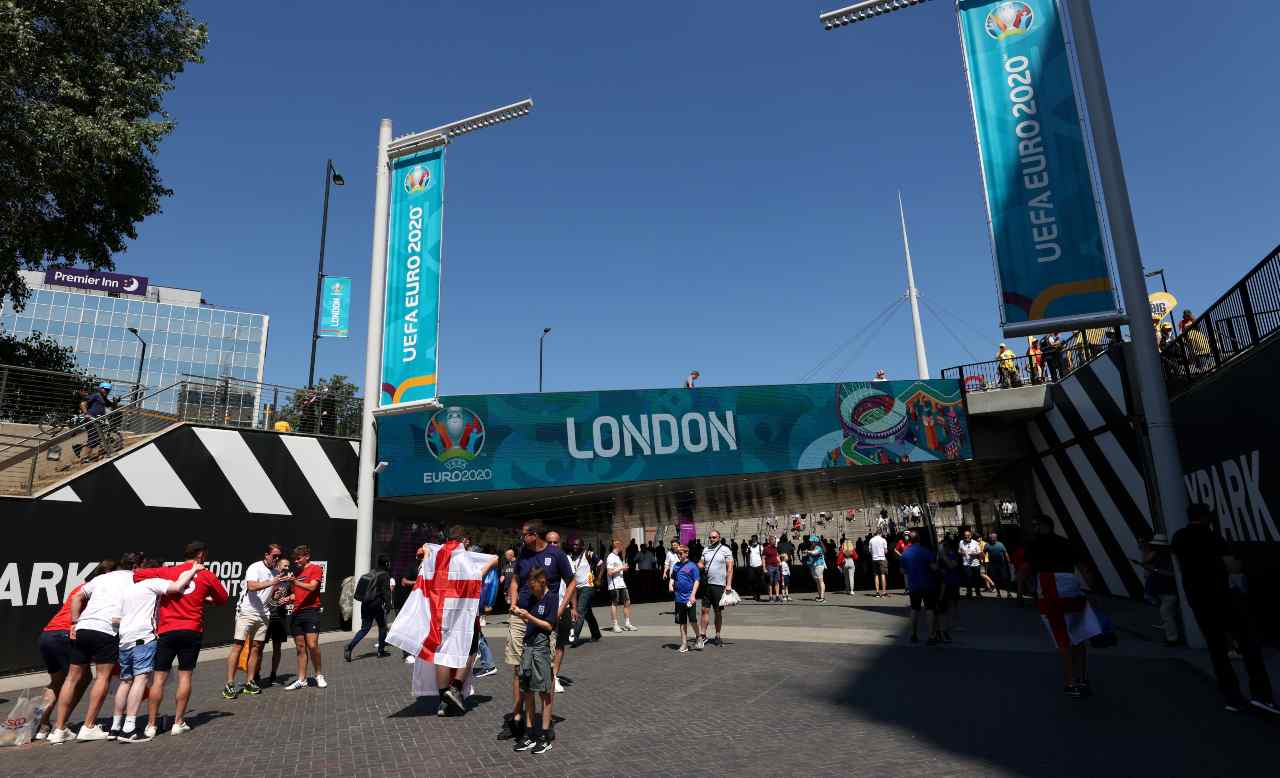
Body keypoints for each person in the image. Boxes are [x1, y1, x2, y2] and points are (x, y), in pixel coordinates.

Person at [1172, 504, 1278, 715]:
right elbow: (1232, 566)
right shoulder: (1213, 537)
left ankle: (1232, 698)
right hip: (1223, 598)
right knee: (1248, 645)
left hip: (1199, 600)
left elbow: (1181, 565)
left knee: (1217, 651)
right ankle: (1262, 695)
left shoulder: (1178, 538)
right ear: (1204, 517)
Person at [135, 541, 229, 736]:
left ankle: (151, 725)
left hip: (167, 631)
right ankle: (178, 722)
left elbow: (137, 575)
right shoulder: (206, 574)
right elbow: (223, 598)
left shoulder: (168, 572)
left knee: (158, 679)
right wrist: (205, 597)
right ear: (200, 555)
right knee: (185, 676)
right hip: (191, 630)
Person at [46, 554, 138, 744]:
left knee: (71, 678)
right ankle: (88, 726)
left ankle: (59, 729)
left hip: (83, 628)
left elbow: (78, 597)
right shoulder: (134, 579)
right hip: (106, 630)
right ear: (135, 566)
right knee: (102, 677)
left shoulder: (100, 578)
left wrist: (74, 622)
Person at [112, 558, 203, 743]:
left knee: (125, 681)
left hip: (124, 638)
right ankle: (129, 728)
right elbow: (178, 587)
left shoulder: (127, 590)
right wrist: (193, 570)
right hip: (143, 637)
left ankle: (115, 727)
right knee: (141, 679)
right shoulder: (153, 582)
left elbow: (115, 619)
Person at [498, 523, 574, 743]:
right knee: (518, 668)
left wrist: (559, 610)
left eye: (524, 535)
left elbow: (571, 583)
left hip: (543, 619)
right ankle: (519, 719)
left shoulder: (556, 554)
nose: (521, 538)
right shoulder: (523, 554)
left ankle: (545, 725)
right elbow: (514, 580)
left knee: (545, 669)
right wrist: (513, 603)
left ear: (534, 535)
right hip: (520, 616)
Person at [34, 560, 113, 741]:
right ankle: (60, 726)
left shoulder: (80, 587)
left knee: (56, 682)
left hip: (48, 634)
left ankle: (42, 726)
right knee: (81, 678)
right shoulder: (98, 590)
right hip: (65, 634)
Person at [1026, 515, 1099, 698]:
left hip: (1051, 589)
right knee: (1078, 634)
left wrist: (1029, 590)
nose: (1034, 527)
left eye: (1035, 524)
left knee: (1062, 637)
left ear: (1044, 526)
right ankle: (1081, 678)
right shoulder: (1066, 543)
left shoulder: (1036, 545)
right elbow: (1083, 567)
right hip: (1071, 588)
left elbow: (1028, 569)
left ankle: (1070, 682)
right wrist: (1092, 589)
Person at [226, 544, 287, 698]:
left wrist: (279, 595)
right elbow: (252, 586)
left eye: (279, 556)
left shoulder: (275, 573)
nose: (277, 559)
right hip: (246, 612)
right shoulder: (255, 567)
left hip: (263, 614)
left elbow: (270, 598)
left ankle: (250, 682)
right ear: (266, 555)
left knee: (257, 648)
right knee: (238, 646)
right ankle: (229, 684)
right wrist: (272, 582)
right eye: (274, 556)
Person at [510, 568, 558, 754]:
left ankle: (544, 735)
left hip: (541, 649)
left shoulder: (551, 598)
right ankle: (529, 734)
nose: (533, 591)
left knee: (544, 692)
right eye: (530, 587)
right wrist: (517, 610)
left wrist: (529, 616)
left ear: (543, 582)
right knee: (527, 691)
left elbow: (549, 625)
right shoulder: (531, 597)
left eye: (535, 587)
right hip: (528, 648)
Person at [284, 545, 327, 690]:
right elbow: (297, 594)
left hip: (311, 611)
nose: (296, 561)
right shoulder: (295, 571)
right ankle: (301, 679)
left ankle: (319, 675)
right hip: (296, 613)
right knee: (300, 647)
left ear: (307, 556)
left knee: (312, 645)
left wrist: (294, 582)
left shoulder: (315, 569)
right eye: (294, 559)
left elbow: (312, 587)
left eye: (298, 558)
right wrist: (288, 598)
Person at [345, 554, 393, 662]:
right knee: (382, 627)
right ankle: (381, 651)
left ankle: (350, 646)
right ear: (386, 564)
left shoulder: (372, 572)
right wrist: (388, 605)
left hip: (365, 604)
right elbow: (386, 592)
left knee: (364, 629)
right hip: (377, 605)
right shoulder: (384, 575)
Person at [1138, 534, 1181, 646]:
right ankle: (1172, 637)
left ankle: (1172, 638)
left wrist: (1155, 569)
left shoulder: (1168, 557)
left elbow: (1171, 573)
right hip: (1164, 590)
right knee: (1168, 614)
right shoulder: (1160, 555)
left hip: (1168, 590)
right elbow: (1146, 562)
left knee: (1166, 613)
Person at [258, 554, 293, 686]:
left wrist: (289, 598)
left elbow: (294, 594)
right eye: (285, 565)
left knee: (277, 648)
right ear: (278, 566)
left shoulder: (288, 581)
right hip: (266, 616)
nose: (287, 568)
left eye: (288, 566)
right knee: (259, 647)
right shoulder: (270, 578)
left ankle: (273, 675)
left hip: (280, 617)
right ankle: (256, 674)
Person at [899, 534, 939, 644]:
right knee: (929, 609)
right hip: (927, 584)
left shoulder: (905, 553)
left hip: (913, 585)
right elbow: (934, 567)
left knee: (914, 609)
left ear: (909, 540)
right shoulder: (926, 551)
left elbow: (902, 571)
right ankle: (931, 635)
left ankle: (913, 634)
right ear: (919, 539)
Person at [697, 531, 734, 648]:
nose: (712, 539)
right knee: (704, 610)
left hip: (719, 585)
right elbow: (701, 563)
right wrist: (698, 565)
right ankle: (703, 635)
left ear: (719, 538)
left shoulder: (725, 550)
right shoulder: (706, 549)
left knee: (717, 611)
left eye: (714, 537)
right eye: (710, 537)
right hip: (707, 584)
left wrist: (728, 584)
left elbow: (730, 568)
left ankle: (717, 635)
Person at [568, 540, 602, 646]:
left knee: (580, 611)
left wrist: (599, 578)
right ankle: (596, 634)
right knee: (587, 613)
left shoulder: (588, 554)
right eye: (573, 544)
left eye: (577, 544)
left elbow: (601, 564)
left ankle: (574, 637)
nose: (574, 546)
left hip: (588, 586)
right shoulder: (570, 557)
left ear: (582, 546)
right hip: (576, 589)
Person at [669, 545, 701, 652]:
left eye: (681, 553)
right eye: (677, 553)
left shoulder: (692, 566)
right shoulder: (676, 566)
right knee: (682, 622)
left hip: (689, 598)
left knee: (692, 620)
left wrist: (693, 595)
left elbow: (696, 581)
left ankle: (699, 637)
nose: (679, 555)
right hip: (679, 599)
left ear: (686, 553)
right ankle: (684, 644)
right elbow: (673, 577)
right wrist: (670, 584)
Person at [606, 539, 636, 632]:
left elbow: (618, 569)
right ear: (617, 546)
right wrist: (621, 568)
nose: (622, 548)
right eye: (621, 546)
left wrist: (623, 568)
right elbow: (610, 572)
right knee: (614, 603)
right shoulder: (610, 557)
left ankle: (627, 623)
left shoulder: (617, 557)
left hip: (621, 583)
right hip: (614, 584)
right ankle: (615, 625)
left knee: (627, 601)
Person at [986, 532, 1011, 598]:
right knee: (996, 579)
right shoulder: (987, 545)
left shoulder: (1000, 544)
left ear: (996, 538)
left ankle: (1008, 593)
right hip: (993, 565)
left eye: (994, 537)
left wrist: (1008, 561)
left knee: (1005, 578)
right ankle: (998, 593)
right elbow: (983, 552)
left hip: (1001, 565)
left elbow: (1005, 553)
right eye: (991, 537)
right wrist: (983, 559)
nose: (992, 538)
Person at [959, 529, 983, 598]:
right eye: (965, 536)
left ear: (971, 536)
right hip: (966, 563)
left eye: (968, 536)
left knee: (977, 579)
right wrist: (962, 552)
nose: (966, 538)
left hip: (975, 563)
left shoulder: (975, 542)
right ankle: (969, 593)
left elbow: (980, 553)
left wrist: (974, 553)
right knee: (968, 579)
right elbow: (959, 551)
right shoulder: (961, 542)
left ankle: (978, 593)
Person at [804, 534, 827, 603]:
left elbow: (814, 553)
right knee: (817, 581)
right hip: (814, 565)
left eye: (812, 541)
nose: (811, 542)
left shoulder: (818, 547)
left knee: (820, 581)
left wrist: (808, 551)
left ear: (815, 542)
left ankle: (822, 597)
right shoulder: (813, 547)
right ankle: (820, 596)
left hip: (819, 565)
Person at [868, 531, 888, 597]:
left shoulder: (871, 540)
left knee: (876, 575)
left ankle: (877, 592)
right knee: (883, 574)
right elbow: (885, 551)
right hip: (882, 558)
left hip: (874, 558)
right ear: (880, 533)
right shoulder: (883, 540)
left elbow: (870, 551)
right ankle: (884, 591)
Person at [763, 535, 781, 603]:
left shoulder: (775, 548)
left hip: (776, 566)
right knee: (770, 582)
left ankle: (777, 596)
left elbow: (777, 556)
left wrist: (779, 562)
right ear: (770, 541)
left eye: (775, 540)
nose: (775, 541)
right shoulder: (766, 549)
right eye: (774, 540)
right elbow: (763, 559)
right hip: (769, 567)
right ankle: (770, 597)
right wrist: (764, 568)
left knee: (777, 582)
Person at [745, 535, 764, 601]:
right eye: (752, 539)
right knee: (751, 580)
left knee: (758, 581)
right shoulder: (749, 547)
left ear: (757, 540)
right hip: (751, 566)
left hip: (759, 566)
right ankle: (754, 593)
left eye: (754, 539)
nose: (753, 541)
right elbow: (747, 555)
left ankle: (758, 594)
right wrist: (747, 564)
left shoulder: (760, 547)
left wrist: (763, 565)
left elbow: (763, 556)